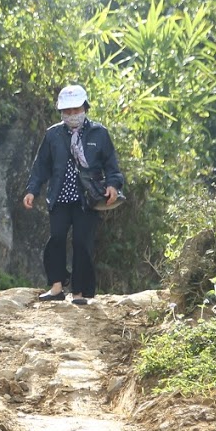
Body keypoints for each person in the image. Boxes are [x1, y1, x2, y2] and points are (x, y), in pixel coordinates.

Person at [22, 84, 124, 306]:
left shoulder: (100, 133)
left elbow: (112, 167)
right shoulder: (53, 135)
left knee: (82, 242)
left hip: (87, 199)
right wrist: (32, 190)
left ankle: (79, 292)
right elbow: (41, 166)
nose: (72, 115)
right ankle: (57, 286)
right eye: (67, 112)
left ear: (85, 108)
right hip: (59, 196)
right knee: (56, 239)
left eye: (76, 110)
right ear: (61, 112)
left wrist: (113, 186)